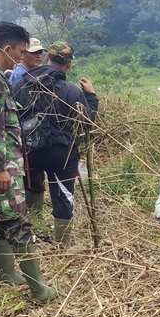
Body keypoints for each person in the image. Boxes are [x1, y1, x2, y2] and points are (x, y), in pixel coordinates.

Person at [0, 21, 55, 302]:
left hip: (8, 164)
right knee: (18, 223)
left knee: (3, 220)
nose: (22, 57)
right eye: (20, 52)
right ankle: (39, 288)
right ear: (7, 49)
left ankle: (4, 272)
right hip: (1, 167)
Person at [12, 41, 98, 246]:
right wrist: (91, 97)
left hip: (29, 151)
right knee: (63, 196)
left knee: (32, 189)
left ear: (47, 58)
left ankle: (32, 237)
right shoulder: (71, 91)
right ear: (68, 65)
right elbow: (86, 123)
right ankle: (63, 245)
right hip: (62, 154)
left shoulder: (20, 85)